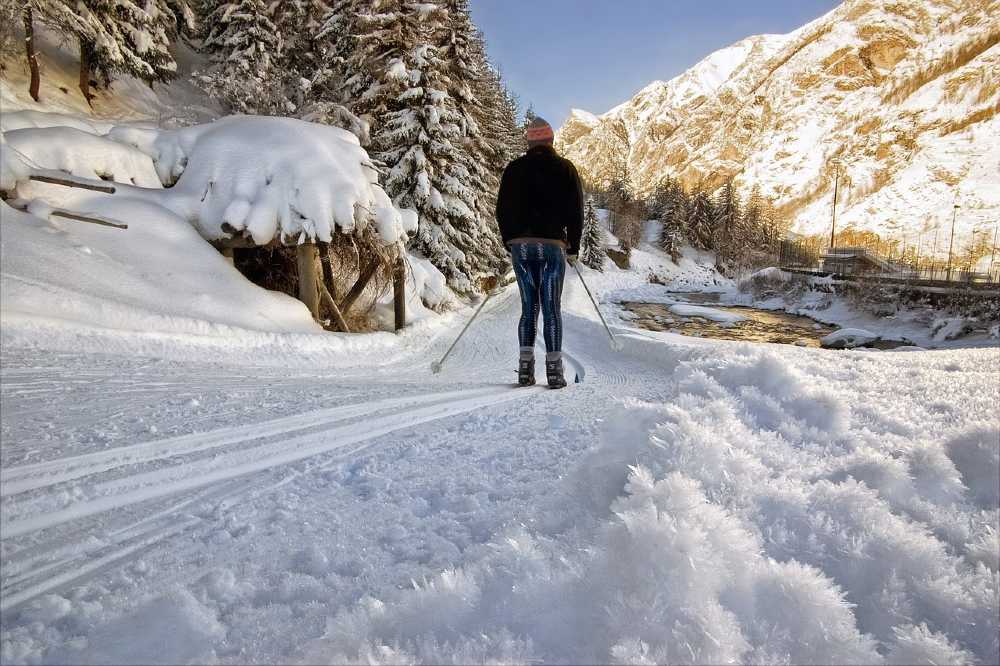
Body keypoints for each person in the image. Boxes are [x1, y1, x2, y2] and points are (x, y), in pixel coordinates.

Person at [495, 116, 584, 389]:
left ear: (529, 142)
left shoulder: (513, 169)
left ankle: (525, 371)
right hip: (553, 246)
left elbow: (502, 210)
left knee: (529, 308)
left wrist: (509, 240)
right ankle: (555, 373)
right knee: (551, 309)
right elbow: (576, 212)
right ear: (550, 141)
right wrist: (574, 247)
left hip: (521, 246)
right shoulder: (565, 169)